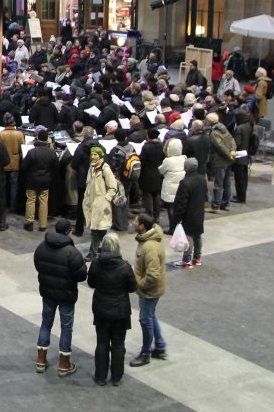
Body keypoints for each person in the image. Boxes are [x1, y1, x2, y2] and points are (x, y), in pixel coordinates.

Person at [33, 218, 88, 377]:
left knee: (46, 323)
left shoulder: (42, 247)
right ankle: (64, 364)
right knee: (66, 327)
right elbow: (81, 275)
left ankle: (41, 360)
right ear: (67, 232)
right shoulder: (72, 252)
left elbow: (38, 265)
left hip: (48, 293)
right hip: (66, 295)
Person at [86, 233, 138, 386]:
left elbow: (91, 283)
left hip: (101, 309)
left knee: (101, 343)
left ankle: (100, 377)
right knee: (118, 344)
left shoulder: (96, 264)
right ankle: (116, 377)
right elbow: (132, 287)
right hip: (120, 312)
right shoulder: (125, 266)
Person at [130, 213, 166, 367]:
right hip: (152, 289)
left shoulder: (149, 247)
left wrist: (139, 285)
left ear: (142, 226)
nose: (133, 223)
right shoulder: (147, 240)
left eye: (136, 221)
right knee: (151, 316)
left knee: (145, 320)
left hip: (149, 291)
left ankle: (146, 353)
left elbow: (152, 275)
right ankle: (160, 345)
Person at [83, 146, 118, 261]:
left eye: (95, 155)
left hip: (101, 205)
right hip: (92, 203)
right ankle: (110, 250)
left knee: (96, 230)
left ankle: (92, 253)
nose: (93, 157)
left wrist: (106, 199)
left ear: (100, 156)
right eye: (92, 154)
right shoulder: (91, 168)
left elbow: (113, 187)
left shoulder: (105, 169)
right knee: (100, 230)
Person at [19, 126, 57, 231]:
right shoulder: (52, 153)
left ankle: (29, 223)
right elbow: (56, 168)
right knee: (43, 202)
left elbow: (24, 167)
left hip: (32, 180)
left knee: (31, 200)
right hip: (45, 181)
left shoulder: (32, 152)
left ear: (37, 138)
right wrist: (50, 177)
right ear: (47, 139)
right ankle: (43, 225)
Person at [172, 158, 207, 268]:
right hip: (199, 211)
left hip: (188, 214)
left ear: (186, 167)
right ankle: (197, 258)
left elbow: (181, 202)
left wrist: (177, 216)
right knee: (197, 235)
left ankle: (186, 260)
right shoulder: (202, 179)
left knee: (188, 237)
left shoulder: (185, 182)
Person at [207, 112, 236, 212]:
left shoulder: (214, 133)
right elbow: (232, 140)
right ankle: (226, 203)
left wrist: (227, 153)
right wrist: (232, 151)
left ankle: (215, 206)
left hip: (220, 160)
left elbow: (219, 146)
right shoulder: (223, 128)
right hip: (228, 160)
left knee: (218, 183)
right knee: (227, 182)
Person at [0, 113, 25, 213]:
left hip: (3, 163)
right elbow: (22, 149)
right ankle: (13, 207)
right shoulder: (19, 134)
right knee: (14, 186)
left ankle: (2, 206)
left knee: (2, 186)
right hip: (15, 162)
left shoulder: (0, 134)